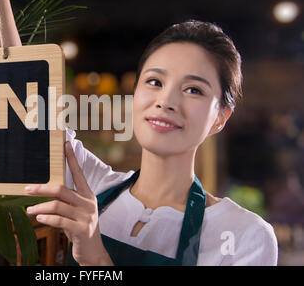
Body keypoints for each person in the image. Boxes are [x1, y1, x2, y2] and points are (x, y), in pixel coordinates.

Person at [25, 20, 278, 266]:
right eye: (155, 82)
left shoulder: (244, 237)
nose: (165, 100)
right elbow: (16, 87)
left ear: (220, 119)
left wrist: (97, 260)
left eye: (193, 90)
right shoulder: (92, 185)